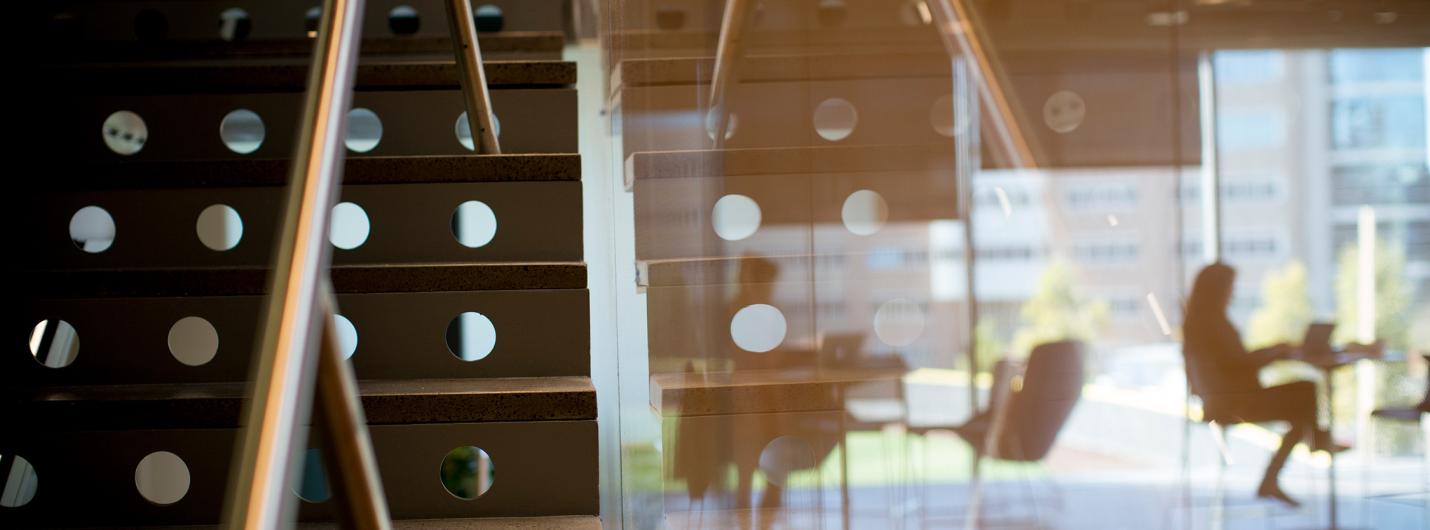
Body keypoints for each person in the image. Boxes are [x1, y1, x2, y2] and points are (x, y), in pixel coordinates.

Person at [1183, 263, 1347, 507]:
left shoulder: (1201, 323)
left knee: (1302, 408)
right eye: (1230, 287)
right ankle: (1313, 445)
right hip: (1234, 403)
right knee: (1305, 392)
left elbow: (1235, 361)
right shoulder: (1212, 324)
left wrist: (1273, 351)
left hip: (1227, 399)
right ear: (1217, 289)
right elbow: (1238, 363)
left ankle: (1282, 470)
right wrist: (1275, 352)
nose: (1233, 293)